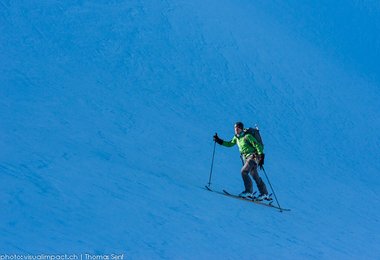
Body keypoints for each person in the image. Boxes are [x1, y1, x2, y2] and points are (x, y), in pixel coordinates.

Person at [213, 122, 270, 200]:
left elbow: (257, 145)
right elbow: (229, 144)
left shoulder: (248, 136)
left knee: (244, 171)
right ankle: (264, 193)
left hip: (252, 157)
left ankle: (249, 191)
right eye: (235, 128)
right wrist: (219, 140)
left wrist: (261, 156)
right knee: (255, 175)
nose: (236, 130)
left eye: (238, 128)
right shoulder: (236, 138)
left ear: (241, 129)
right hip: (246, 158)